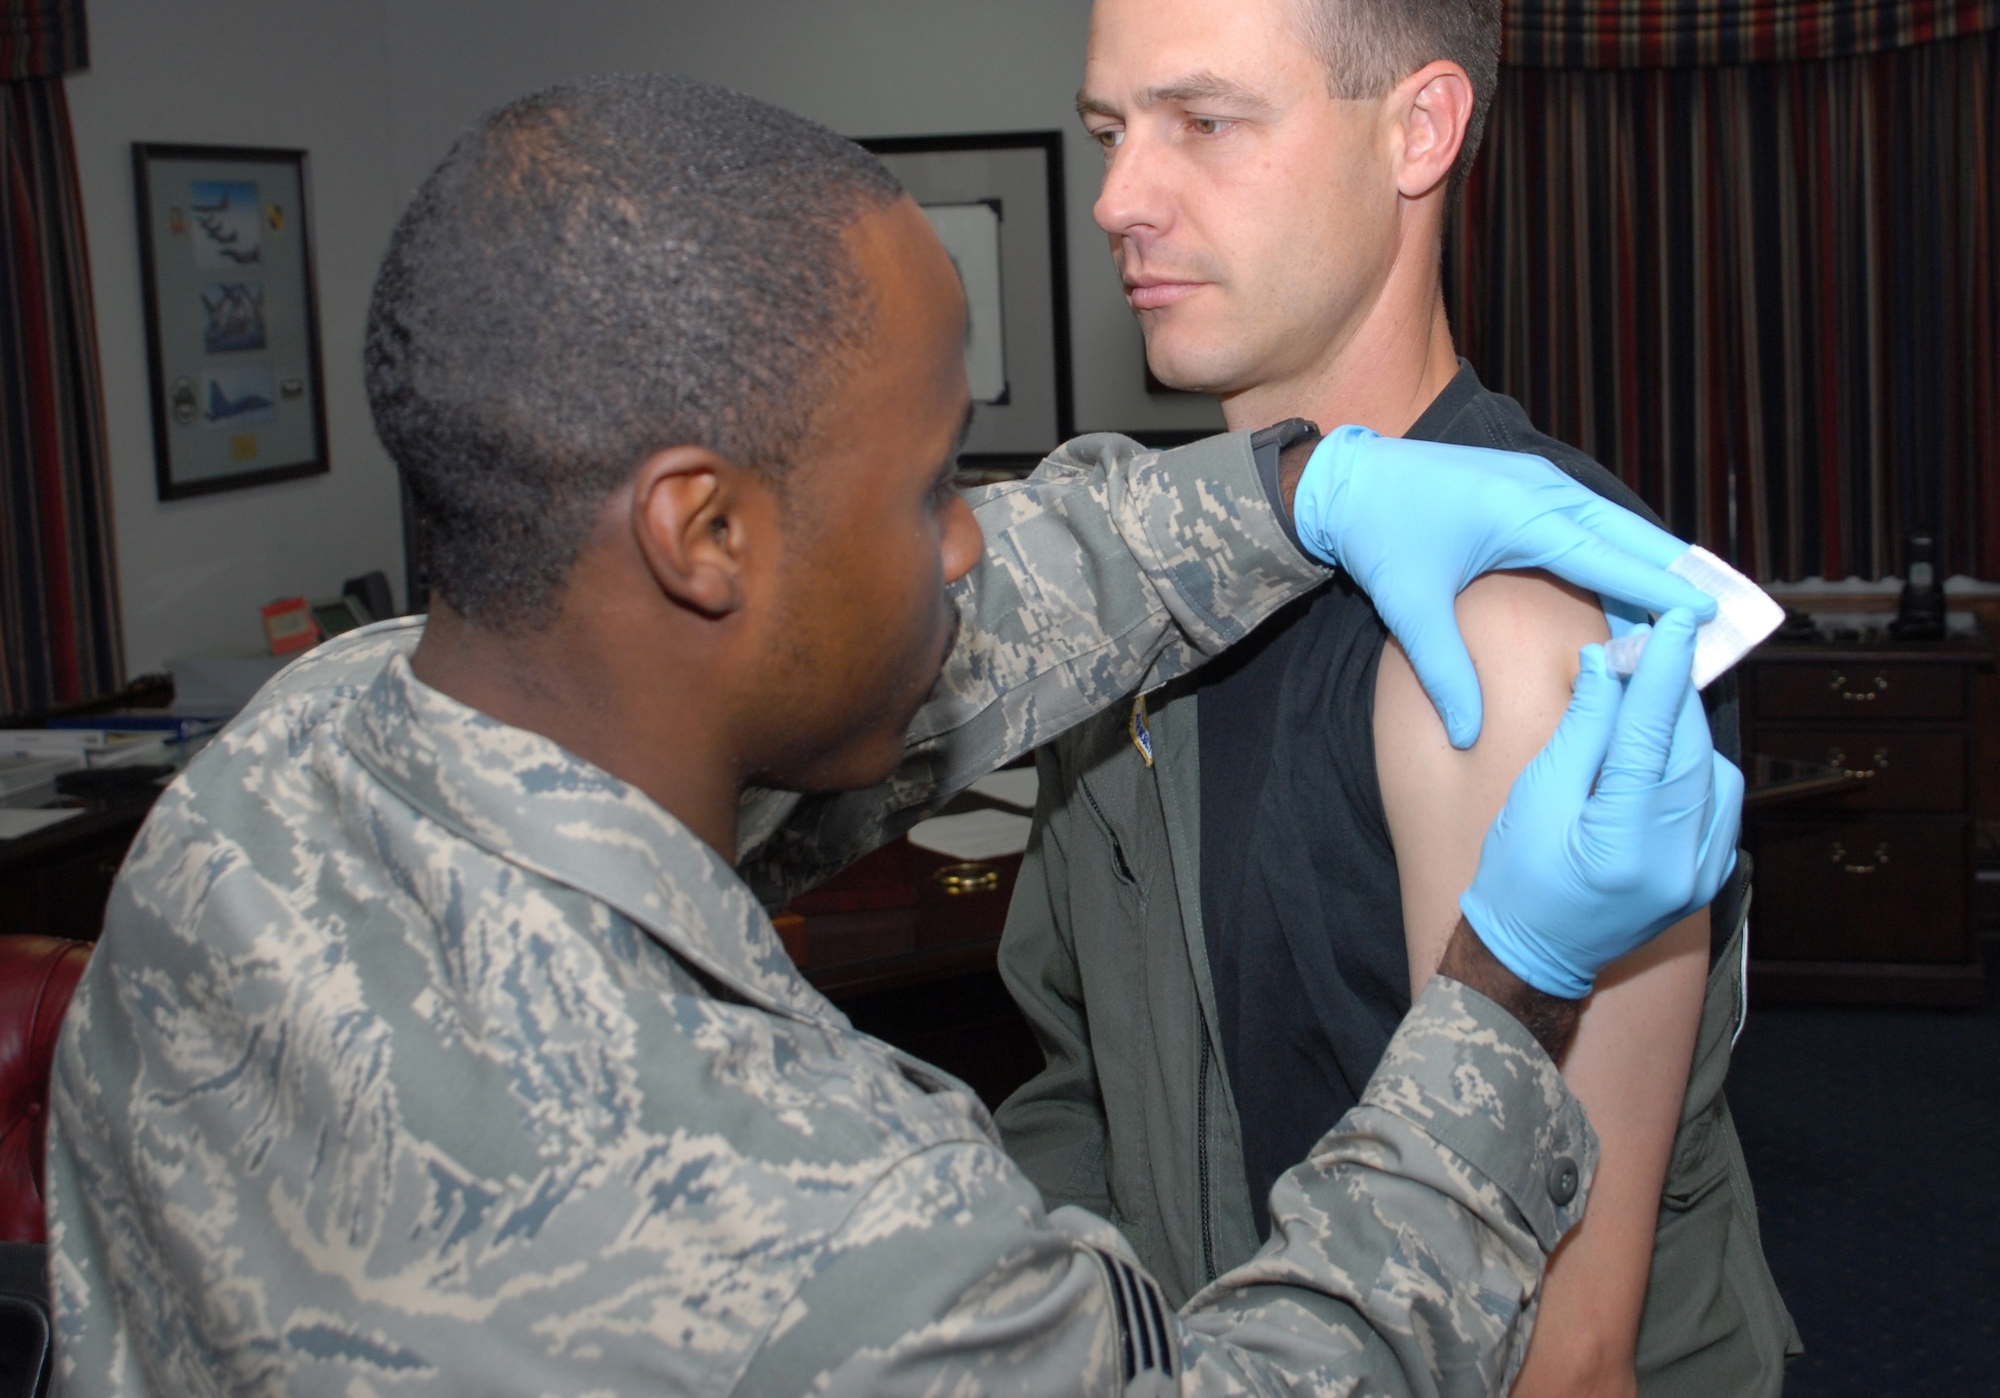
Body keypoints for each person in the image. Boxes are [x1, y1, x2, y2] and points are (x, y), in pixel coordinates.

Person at [49, 74, 1736, 1396]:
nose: (962, 545)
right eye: (932, 483)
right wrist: (1506, 991)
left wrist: (1307, 485)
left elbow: (950, 634)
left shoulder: (293, 757)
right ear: (702, 533)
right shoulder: (818, 1239)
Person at [996, 0, 1798, 1398]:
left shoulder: (1511, 630)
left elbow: (1563, 1360)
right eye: (1110, 129)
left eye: (1205, 124)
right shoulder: (1139, 583)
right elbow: (1095, 1079)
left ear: (1420, 128)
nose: (1116, 199)